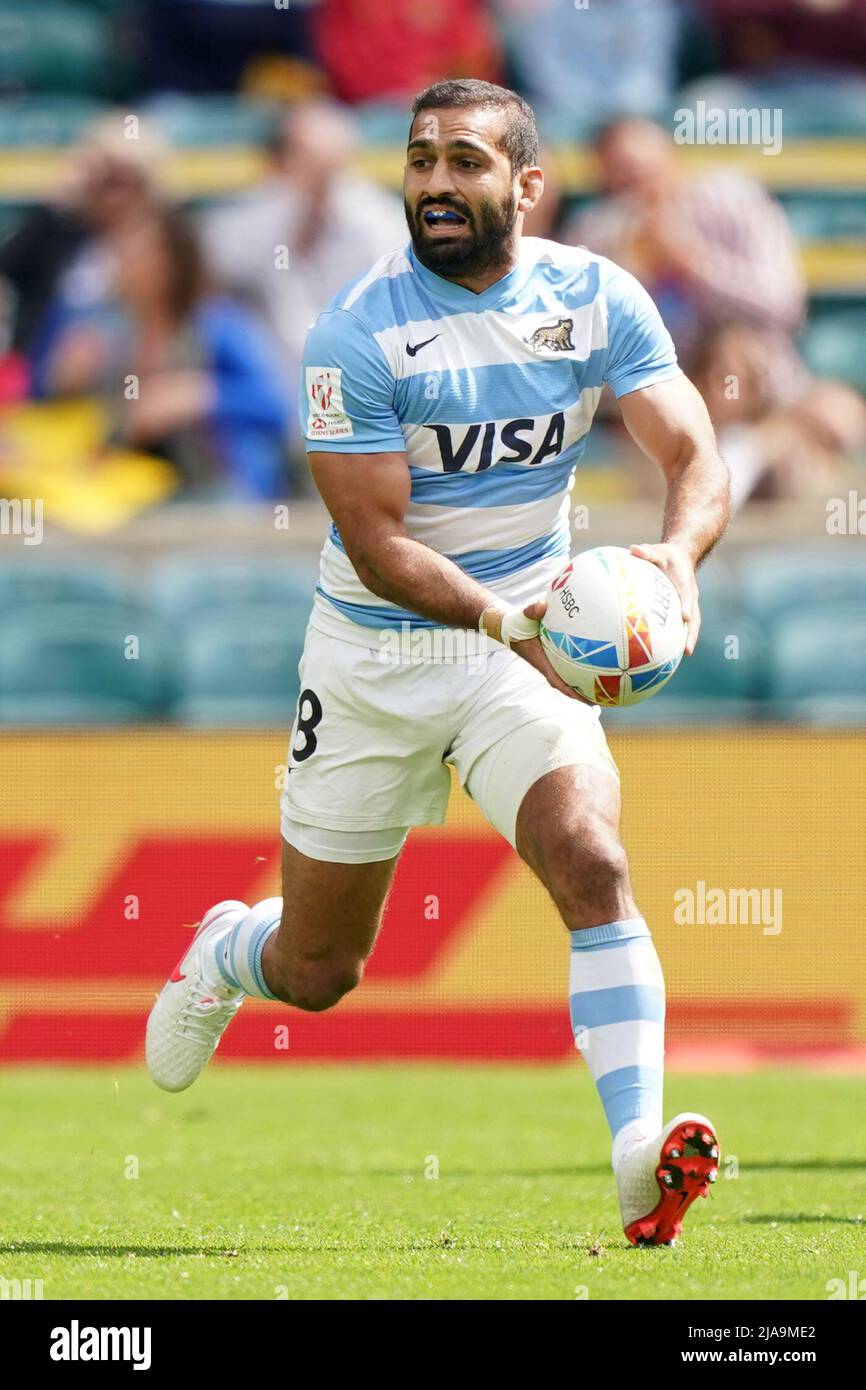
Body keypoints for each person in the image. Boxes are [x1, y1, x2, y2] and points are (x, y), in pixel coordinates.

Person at [146, 80, 729, 1247]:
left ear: (525, 186)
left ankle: (635, 1155)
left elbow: (691, 445)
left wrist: (675, 554)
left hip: (524, 651)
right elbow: (378, 542)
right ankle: (224, 947)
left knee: (591, 860)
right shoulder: (355, 330)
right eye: (418, 162)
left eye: (464, 164)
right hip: (376, 655)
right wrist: (513, 624)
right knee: (318, 969)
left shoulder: (592, 296)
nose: (434, 186)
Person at [42, 206, 289, 499]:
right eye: (121, 251)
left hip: (214, 492)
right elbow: (47, 408)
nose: (126, 263)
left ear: (174, 261)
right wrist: (63, 381)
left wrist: (200, 395)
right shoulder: (106, 332)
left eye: (141, 254)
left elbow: (280, 406)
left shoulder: (216, 325)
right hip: (124, 494)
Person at [569, 118, 806, 397]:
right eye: (624, 180)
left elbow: (782, 305)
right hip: (645, 394)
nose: (643, 189)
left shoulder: (736, 203)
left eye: (646, 171)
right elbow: (576, 332)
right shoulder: (596, 233)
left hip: (757, 382)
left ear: (671, 158)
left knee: (737, 354)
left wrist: (693, 265)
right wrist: (636, 271)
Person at [202, 101, 406, 408]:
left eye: (333, 167)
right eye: (308, 162)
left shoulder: (382, 226)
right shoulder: (248, 220)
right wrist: (294, 217)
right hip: (267, 392)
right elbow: (207, 277)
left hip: (359, 393)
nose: (322, 180)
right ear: (280, 162)